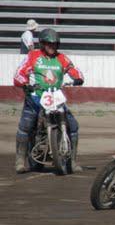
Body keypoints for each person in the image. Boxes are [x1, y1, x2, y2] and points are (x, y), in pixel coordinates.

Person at [13, 28, 85, 174]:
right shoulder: (33, 56)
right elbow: (18, 74)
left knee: (73, 126)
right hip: (35, 97)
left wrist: (78, 78)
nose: (52, 46)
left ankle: (72, 162)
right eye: (48, 43)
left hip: (56, 97)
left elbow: (75, 70)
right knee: (26, 126)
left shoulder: (62, 58)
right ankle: (20, 161)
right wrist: (25, 83)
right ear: (42, 43)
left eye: (54, 44)